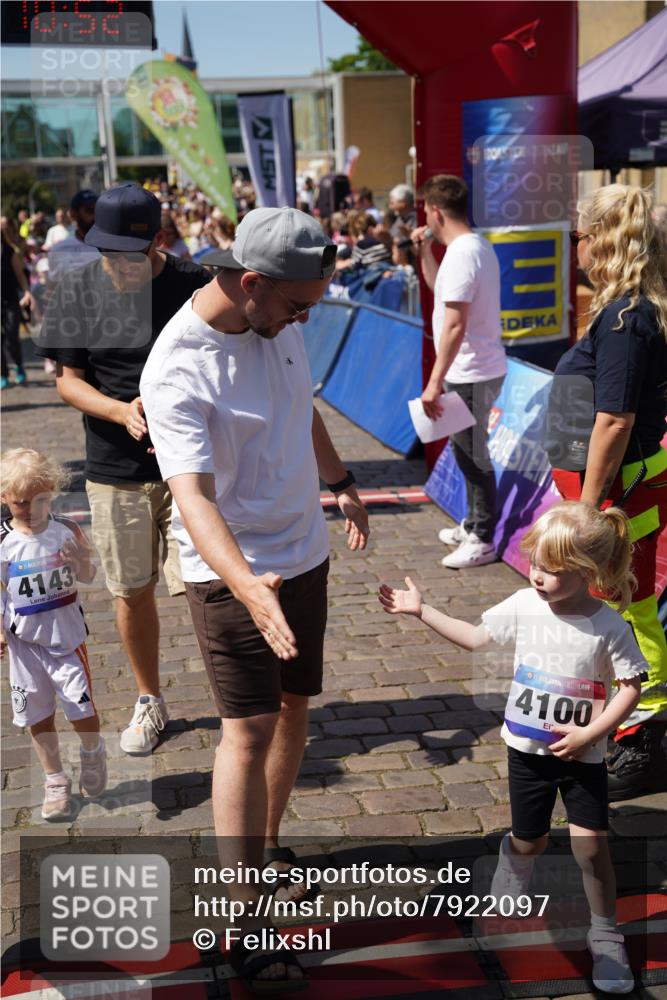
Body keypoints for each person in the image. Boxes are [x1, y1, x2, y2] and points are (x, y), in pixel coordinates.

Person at [140, 206, 370, 992]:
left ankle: (263, 853)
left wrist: (339, 481)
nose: (305, 318)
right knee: (247, 731)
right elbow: (193, 500)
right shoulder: (177, 366)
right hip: (231, 569)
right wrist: (246, 586)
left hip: (301, 551)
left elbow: (300, 405)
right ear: (250, 284)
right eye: (299, 305)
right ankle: (242, 922)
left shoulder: (280, 320)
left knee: (297, 708)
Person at [380, 500, 646, 994]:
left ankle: (605, 934)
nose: (537, 575)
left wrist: (593, 733)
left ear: (586, 572)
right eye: (535, 564)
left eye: (550, 569)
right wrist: (423, 611)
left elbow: (632, 685)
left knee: (591, 848)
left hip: (582, 758)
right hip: (526, 752)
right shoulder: (524, 604)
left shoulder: (609, 626)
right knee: (531, 840)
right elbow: (477, 638)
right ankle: (513, 863)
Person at [36, 182, 211, 756]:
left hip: (196, 466)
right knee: (131, 591)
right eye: (105, 252)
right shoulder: (78, 287)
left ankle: (234, 700)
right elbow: (68, 381)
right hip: (114, 467)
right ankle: (148, 699)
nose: (116, 265)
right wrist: (121, 412)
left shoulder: (197, 286)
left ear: (159, 242)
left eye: (127, 255)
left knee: (209, 590)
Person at [546, 184, 667, 801]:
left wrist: (586, 509)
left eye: (583, 235)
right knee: (615, 605)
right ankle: (619, 725)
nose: (578, 246)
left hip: (617, 495)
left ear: (605, 240)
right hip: (610, 489)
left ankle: (642, 738)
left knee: (628, 605)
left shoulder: (625, 318)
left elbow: (614, 419)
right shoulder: (625, 309)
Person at [0, 449, 107, 821]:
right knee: (37, 715)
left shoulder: (67, 529)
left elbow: (90, 573)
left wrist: (78, 561)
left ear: (52, 491)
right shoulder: (3, 541)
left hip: (66, 641)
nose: (31, 510)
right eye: (20, 503)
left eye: (40, 500)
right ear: (4, 499)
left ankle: (93, 751)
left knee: (81, 709)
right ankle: (55, 780)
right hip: (24, 647)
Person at [412, 174, 507, 568]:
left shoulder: (465, 252)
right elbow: (444, 294)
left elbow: (455, 324)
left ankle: (483, 537)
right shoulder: (466, 249)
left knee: (472, 454)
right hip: (471, 369)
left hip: (472, 371)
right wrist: (424, 253)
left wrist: (434, 382)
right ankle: (473, 525)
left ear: (435, 211)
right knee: (464, 449)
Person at [1, 223, 34, 389]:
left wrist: (27, 292)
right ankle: (3, 374)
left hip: (10, 301)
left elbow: (20, 275)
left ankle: (19, 366)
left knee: (11, 337)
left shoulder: (9, 252)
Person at [46, 190, 100, 286]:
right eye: (90, 210)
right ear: (73, 214)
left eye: (98, 210)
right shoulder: (58, 250)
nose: (95, 216)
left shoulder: (112, 247)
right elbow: (53, 288)